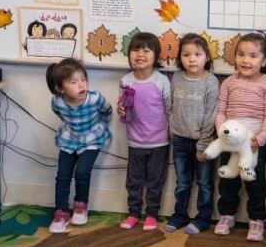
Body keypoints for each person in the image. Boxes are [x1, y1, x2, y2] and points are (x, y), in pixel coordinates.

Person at [213, 32, 266, 242]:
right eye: (241, 54)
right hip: (230, 141)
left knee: (255, 182)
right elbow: (221, 111)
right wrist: (222, 134)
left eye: (252, 55)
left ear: (264, 60)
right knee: (228, 179)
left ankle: (257, 219)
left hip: (254, 143)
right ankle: (226, 215)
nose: (245, 60)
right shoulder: (228, 83)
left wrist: (260, 139)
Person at [45, 58, 112, 233]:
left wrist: (99, 126)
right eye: (73, 82)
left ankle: (81, 206)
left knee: (82, 172)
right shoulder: (57, 102)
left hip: (92, 138)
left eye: (83, 79)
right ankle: (61, 212)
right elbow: (60, 114)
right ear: (60, 88)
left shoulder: (95, 98)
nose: (81, 85)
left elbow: (108, 110)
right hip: (69, 139)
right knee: (62, 175)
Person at [116, 32, 172, 231]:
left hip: (159, 142)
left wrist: (171, 133)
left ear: (156, 56)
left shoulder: (162, 81)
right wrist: (120, 109)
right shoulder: (126, 80)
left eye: (146, 50)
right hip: (135, 142)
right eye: (135, 50)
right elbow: (122, 105)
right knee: (134, 181)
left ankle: (151, 214)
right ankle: (133, 212)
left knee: (155, 181)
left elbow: (169, 109)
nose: (140, 54)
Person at [166, 33, 219, 234]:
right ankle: (180, 215)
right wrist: (173, 129)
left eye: (197, 54)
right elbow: (171, 107)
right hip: (180, 139)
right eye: (186, 54)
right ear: (180, 58)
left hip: (202, 142)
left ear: (206, 57)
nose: (192, 59)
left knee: (204, 183)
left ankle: (203, 218)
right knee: (183, 182)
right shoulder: (177, 78)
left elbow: (211, 115)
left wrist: (203, 144)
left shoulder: (211, 82)